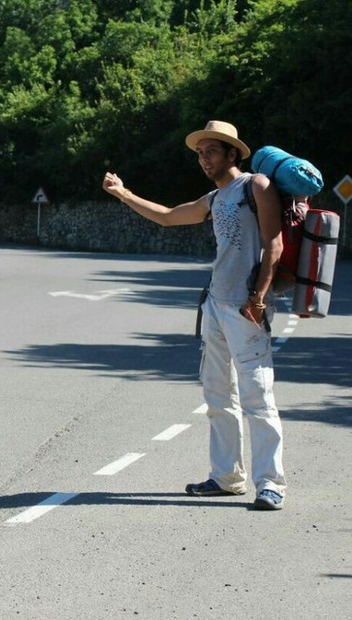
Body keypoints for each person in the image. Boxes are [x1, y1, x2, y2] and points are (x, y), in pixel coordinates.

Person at [102, 120, 286, 511]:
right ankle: (226, 477)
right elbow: (169, 216)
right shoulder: (215, 198)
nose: (204, 159)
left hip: (245, 306)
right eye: (200, 153)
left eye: (211, 152)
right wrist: (125, 194)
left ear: (232, 153)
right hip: (216, 304)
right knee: (218, 396)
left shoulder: (257, 187)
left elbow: (274, 243)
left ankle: (270, 483)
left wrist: (258, 297)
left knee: (258, 396)